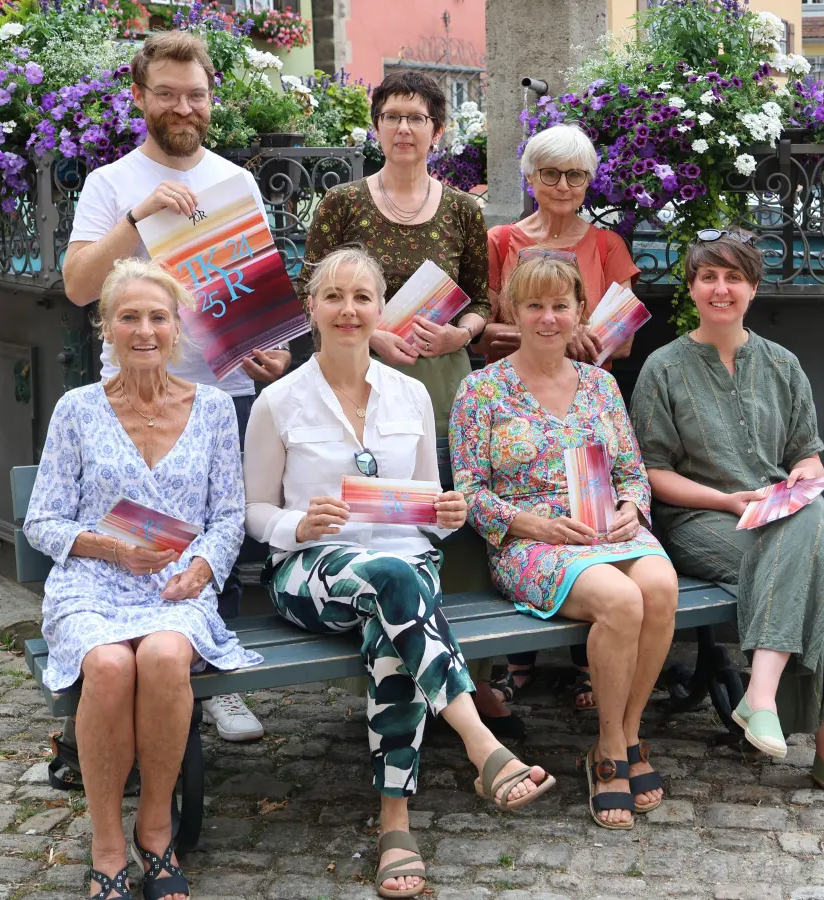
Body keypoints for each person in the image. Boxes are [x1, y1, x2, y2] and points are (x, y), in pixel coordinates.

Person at [244, 248, 555, 898]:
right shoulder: (279, 402)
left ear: (381, 308)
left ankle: (396, 821)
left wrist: (449, 512)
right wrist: (297, 527)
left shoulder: (411, 394)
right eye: (334, 296)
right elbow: (254, 512)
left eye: (362, 297)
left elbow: (431, 510)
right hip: (310, 572)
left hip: (402, 571)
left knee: (396, 613)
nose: (349, 309)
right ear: (312, 309)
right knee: (396, 582)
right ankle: (479, 744)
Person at [61, 30, 280, 743]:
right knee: (137, 537)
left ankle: (211, 681)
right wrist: (138, 218)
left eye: (196, 94)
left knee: (224, 541)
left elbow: (254, 294)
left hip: (221, 396)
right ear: (139, 97)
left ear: (211, 99)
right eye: (167, 93)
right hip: (130, 403)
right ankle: (121, 674)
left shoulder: (237, 182)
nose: (183, 106)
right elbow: (77, 288)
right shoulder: (110, 183)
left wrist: (268, 355)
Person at [25, 260, 263, 900]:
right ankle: (107, 843)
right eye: (128, 316)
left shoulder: (213, 408)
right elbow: (42, 520)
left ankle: (155, 829)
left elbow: (227, 515)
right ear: (105, 326)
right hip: (93, 583)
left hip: (176, 584)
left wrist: (203, 567)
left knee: (162, 658)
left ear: (178, 327)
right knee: (107, 667)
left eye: (158, 316)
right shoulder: (77, 410)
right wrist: (106, 547)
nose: (144, 330)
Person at [629, 232, 824, 809]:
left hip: (780, 520)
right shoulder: (663, 368)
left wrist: (799, 474)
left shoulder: (782, 364)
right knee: (819, 573)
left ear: (753, 288)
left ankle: (761, 697)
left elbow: (807, 451)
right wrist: (727, 501)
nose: (722, 288)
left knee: (810, 521)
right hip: (700, 522)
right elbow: (652, 472)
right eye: (709, 277)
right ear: (691, 288)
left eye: (734, 278)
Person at [449, 256, 679, 830]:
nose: (547, 318)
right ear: (511, 312)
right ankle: (608, 750)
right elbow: (471, 494)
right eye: (534, 306)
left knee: (660, 583)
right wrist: (537, 526)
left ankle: (624, 736)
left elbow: (632, 472)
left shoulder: (601, 385)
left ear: (579, 311)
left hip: (606, 529)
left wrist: (632, 510)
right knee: (622, 601)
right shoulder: (480, 391)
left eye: (560, 306)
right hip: (532, 544)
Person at [475, 124, 643, 721]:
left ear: (589, 181)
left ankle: (589, 672)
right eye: (549, 174)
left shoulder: (606, 246)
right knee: (537, 500)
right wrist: (547, 331)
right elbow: (482, 324)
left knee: (592, 517)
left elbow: (619, 339)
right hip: (514, 396)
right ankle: (521, 663)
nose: (562, 186)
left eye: (575, 175)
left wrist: (587, 340)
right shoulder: (500, 239)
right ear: (531, 178)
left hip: (586, 395)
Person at [303, 68, 489, 437]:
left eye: (417, 118)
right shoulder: (342, 203)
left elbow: (480, 301)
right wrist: (370, 334)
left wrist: (461, 336)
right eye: (392, 117)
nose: (403, 128)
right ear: (377, 127)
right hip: (354, 371)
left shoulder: (463, 209)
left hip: (438, 380)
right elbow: (306, 291)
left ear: (437, 132)